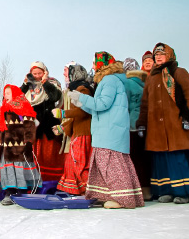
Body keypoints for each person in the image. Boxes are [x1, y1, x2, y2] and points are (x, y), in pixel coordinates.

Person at [69, 52, 144, 209]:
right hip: (108, 129)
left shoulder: (109, 80)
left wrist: (81, 97)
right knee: (106, 166)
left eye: (95, 63)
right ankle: (106, 195)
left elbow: (102, 104)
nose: (93, 66)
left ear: (102, 65)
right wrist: (82, 103)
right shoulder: (112, 80)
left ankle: (124, 199)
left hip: (109, 131)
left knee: (112, 166)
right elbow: (98, 108)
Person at [137, 43, 189, 204]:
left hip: (176, 125)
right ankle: (166, 191)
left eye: (161, 54)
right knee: (161, 160)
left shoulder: (179, 72)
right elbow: (145, 103)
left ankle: (183, 192)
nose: (158, 57)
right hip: (156, 128)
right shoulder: (152, 76)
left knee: (177, 158)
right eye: (156, 55)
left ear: (170, 55)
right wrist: (142, 123)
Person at [20, 62, 64, 185]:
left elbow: (55, 97)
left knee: (50, 154)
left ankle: (52, 181)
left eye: (40, 73)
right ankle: (33, 181)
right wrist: (24, 84)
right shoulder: (28, 85)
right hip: (32, 125)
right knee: (31, 154)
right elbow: (18, 98)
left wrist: (45, 82)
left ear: (45, 72)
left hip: (48, 124)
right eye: (34, 74)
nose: (37, 76)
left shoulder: (52, 82)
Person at [0, 85, 40, 205]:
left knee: (19, 170)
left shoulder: (23, 107)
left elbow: (29, 126)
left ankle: (22, 192)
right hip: (6, 147)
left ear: (15, 94)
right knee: (8, 171)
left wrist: (28, 142)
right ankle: (9, 192)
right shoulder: (2, 110)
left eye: (9, 93)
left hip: (19, 147)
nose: (6, 95)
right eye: (5, 93)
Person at [55, 64, 93, 196]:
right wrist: (63, 127)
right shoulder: (76, 89)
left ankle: (88, 190)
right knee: (74, 161)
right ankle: (78, 190)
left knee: (80, 163)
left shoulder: (83, 90)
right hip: (78, 131)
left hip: (83, 132)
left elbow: (82, 112)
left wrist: (63, 114)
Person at [121, 58, 152, 200]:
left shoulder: (127, 84)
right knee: (144, 159)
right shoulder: (144, 83)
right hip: (145, 125)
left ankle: (136, 190)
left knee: (133, 159)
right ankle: (147, 189)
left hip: (131, 126)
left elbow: (124, 105)